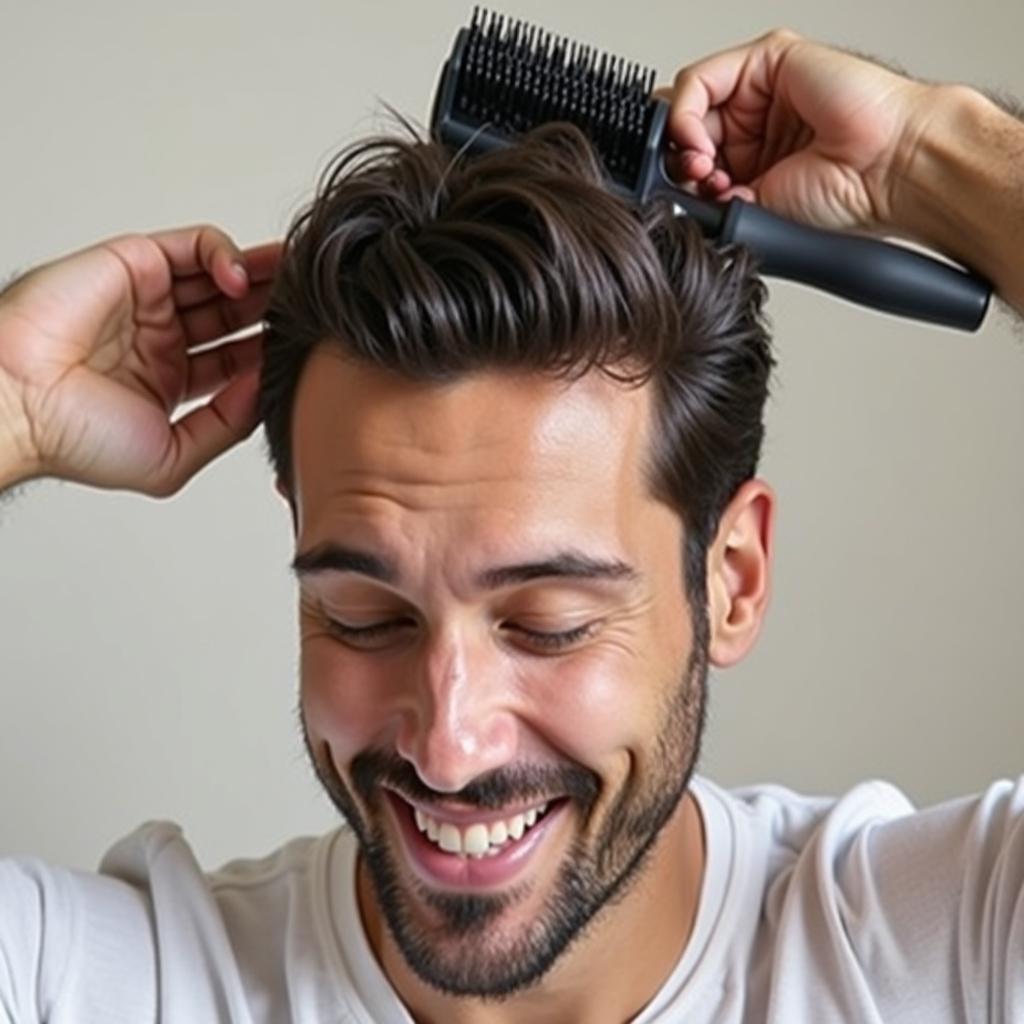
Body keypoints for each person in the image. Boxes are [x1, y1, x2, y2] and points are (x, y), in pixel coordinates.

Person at [1, 29, 1022, 1024]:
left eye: (547, 622)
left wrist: (934, 155)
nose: (448, 746)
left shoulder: (947, 949)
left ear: (732, 577)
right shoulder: (107, 984)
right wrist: (12, 404)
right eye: (364, 615)